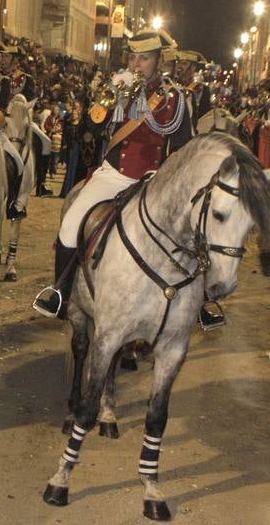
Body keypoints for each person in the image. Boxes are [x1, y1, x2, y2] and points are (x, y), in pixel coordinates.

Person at [33, 29, 200, 322]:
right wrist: (107, 101)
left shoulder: (175, 99)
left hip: (154, 181)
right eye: (133, 58)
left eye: (144, 59)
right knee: (71, 224)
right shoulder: (117, 90)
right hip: (114, 174)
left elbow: (183, 149)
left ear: (158, 61)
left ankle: (202, 302)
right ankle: (61, 292)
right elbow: (91, 131)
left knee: (191, 231)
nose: (137, 65)